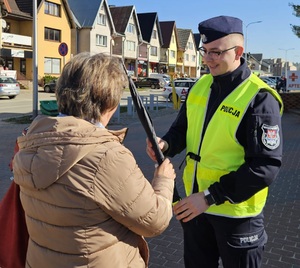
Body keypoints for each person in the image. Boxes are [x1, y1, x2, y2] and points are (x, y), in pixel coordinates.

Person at [13, 52, 176, 268]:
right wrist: (163, 180)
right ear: (109, 101)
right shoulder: (106, 157)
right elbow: (154, 221)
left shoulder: (31, 143)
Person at [146, 15, 283, 268]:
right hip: (196, 211)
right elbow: (180, 131)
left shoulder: (260, 99)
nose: (208, 59)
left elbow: (265, 167)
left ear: (238, 52)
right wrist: (164, 144)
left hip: (236, 216)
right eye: (205, 51)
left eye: (216, 52)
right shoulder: (200, 86)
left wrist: (209, 197)